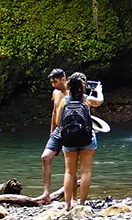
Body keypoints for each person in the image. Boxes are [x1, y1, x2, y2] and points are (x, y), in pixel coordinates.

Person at [36, 69, 102, 203]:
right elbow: (54, 114)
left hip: (72, 131)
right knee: (45, 158)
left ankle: (73, 199)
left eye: (55, 82)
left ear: (64, 80)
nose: (53, 85)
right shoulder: (57, 93)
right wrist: (52, 133)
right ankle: (46, 193)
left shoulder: (72, 95)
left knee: (71, 169)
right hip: (60, 131)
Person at [58, 72, 101, 210]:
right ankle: (82, 204)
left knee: (69, 172)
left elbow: (58, 122)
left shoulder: (64, 101)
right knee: (86, 172)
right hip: (86, 139)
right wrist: (98, 91)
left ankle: (68, 205)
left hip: (68, 140)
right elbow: (100, 101)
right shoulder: (87, 100)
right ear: (83, 86)